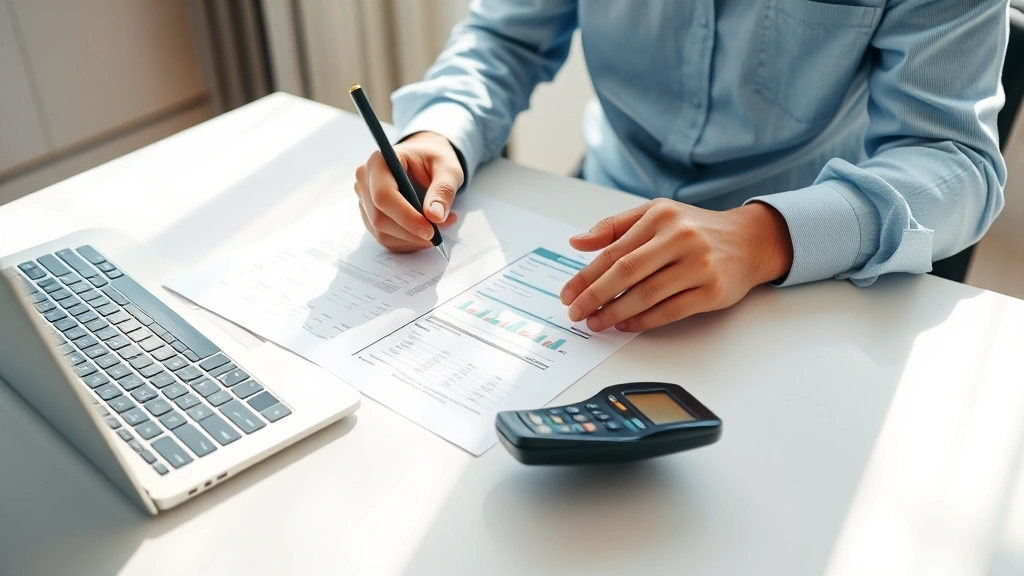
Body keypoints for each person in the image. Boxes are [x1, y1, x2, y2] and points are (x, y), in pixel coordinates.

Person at [353, 0, 1008, 332]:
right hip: (598, 215)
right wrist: (441, 131)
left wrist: (768, 235)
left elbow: (957, 160)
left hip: (801, 274)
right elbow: (504, 38)